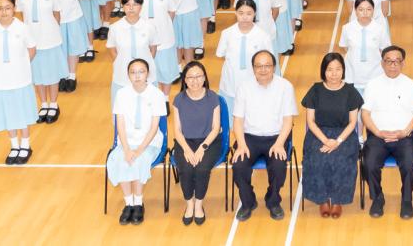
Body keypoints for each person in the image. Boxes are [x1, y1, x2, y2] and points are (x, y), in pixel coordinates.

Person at [360, 45, 413, 220]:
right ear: (382, 63)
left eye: (397, 61)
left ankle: (406, 200)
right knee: (369, 163)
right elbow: (365, 113)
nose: (393, 65)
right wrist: (377, 132)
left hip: (404, 137)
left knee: (410, 165)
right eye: (389, 61)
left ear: (403, 63)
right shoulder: (373, 85)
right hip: (378, 136)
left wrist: (405, 132)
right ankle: (377, 198)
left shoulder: (412, 85)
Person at [231, 50, 298, 222]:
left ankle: (273, 201)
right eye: (259, 66)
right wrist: (241, 144)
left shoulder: (285, 87)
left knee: (279, 166)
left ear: (274, 67)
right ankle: (248, 202)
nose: (263, 69)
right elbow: (238, 120)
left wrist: (280, 143)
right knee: (238, 165)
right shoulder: (244, 87)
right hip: (249, 138)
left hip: (276, 137)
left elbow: (288, 120)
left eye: (267, 65)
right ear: (253, 68)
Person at [301, 52, 364, 218]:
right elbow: (310, 121)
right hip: (318, 133)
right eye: (330, 69)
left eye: (338, 69)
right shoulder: (315, 90)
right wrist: (325, 140)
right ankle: (321, 200)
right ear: (323, 71)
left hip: (344, 134)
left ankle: (337, 201)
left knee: (342, 160)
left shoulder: (350, 91)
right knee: (317, 159)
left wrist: (337, 141)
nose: (334, 73)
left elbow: (353, 122)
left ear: (343, 70)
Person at [107, 58, 168, 225]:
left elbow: (154, 127)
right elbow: (119, 124)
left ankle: (139, 203)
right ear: (128, 75)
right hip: (126, 142)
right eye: (133, 72)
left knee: (139, 160)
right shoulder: (121, 94)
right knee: (120, 160)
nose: (137, 76)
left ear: (148, 73)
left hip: (149, 142)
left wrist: (139, 150)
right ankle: (128, 203)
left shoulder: (157, 94)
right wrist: (127, 149)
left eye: (141, 72)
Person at [0, 0, 38, 165]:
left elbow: (32, 49)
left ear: (14, 9)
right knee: (8, 113)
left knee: (21, 112)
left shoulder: (23, 28)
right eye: (0, 9)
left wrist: (21, 65)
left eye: (7, 8)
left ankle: (25, 145)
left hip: (20, 79)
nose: (4, 12)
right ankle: (14, 145)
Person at [171, 61, 223, 225]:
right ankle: (189, 204)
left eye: (198, 76)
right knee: (186, 169)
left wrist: (202, 148)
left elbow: (216, 128)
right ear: (185, 80)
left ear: (204, 78)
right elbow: (177, 130)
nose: (195, 81)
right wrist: (186, 149)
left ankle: (199, 204)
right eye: (190, 77)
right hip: (185, 141)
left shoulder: (213, 97)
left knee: (201, 168)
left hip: (209, 141)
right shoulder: (179, 99)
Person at [15, 0, 64, 124]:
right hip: (32, 42)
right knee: (38, 76)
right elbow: (22, 17)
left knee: (52, 74)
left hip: (50, 39)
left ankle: (53, 104)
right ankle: (43, 104)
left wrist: (52, 31)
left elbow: (57, 14)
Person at [214, 0, 274, 115]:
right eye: (241, 13)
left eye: (249, 13)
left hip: (254, 85)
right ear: (235, 13)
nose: (245, 17)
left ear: (254, 14)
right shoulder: (227, 33)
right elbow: (221, 54)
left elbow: (269, 61)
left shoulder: (263, 36)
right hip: (230, 85)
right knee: (230, 119)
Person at [106, 0, 158, 105]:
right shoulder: (115, 28)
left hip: (145, 73)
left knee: (147, 106)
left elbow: (153, 49)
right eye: (127, 5)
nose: (131, 8)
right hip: (123, 73)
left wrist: (143, 67)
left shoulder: (149, 27)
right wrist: (122, 63)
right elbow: (112, 49)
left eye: (135, 4)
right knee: (123, 107)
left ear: (141, 6)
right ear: (123, 6)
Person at [135, 0, 179, 92]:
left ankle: (165, 98)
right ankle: (151, 97)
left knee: (166, 71)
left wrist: (163, 25)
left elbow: (172, 11)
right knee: (146, 71)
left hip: (164, 37)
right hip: (144, 38)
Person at [339, 0, 390, 94]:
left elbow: (384, 51)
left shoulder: (380, 29)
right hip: (352, 76)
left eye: (369, 9)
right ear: (355, 11)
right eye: (361, 9)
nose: (365, 13)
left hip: (375, 76)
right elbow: (345, 47)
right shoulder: (347, 28)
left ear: (373, 10)